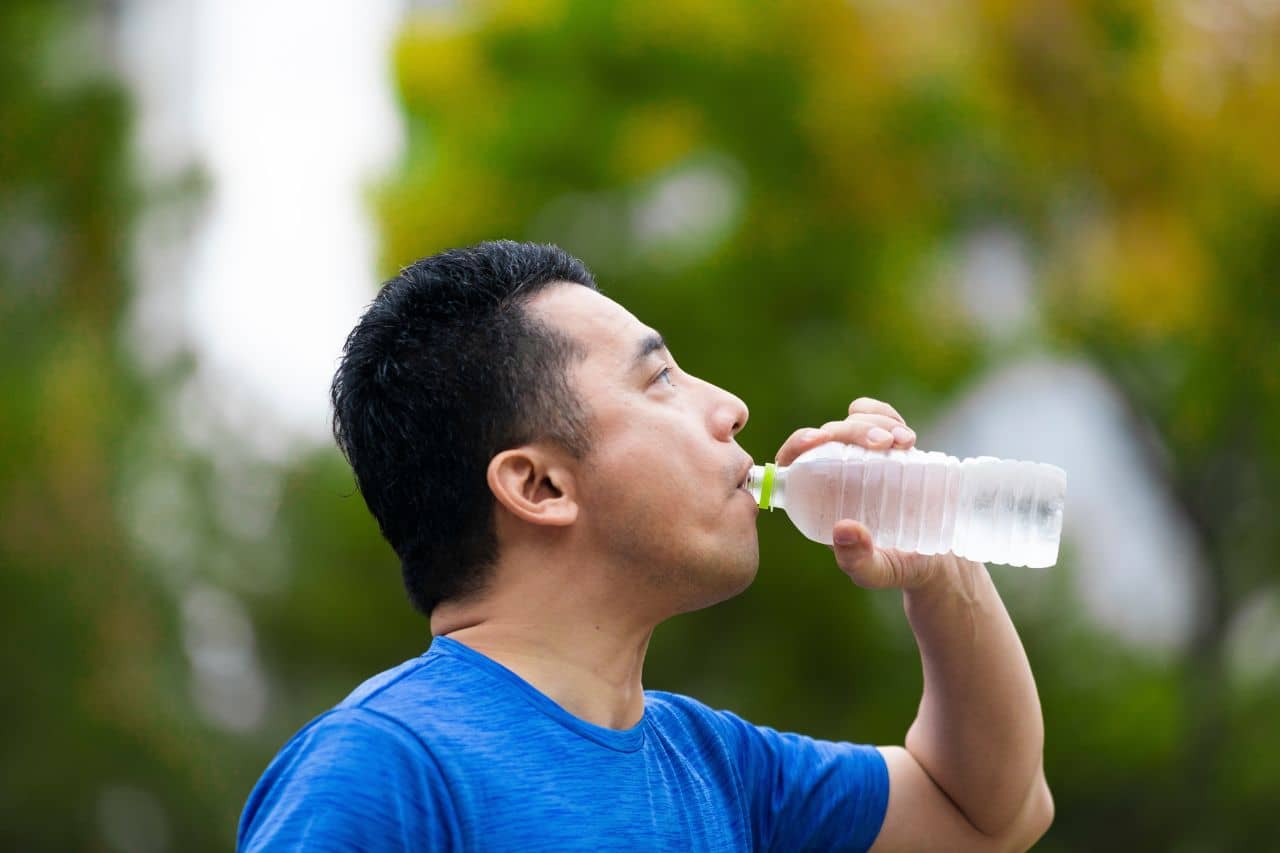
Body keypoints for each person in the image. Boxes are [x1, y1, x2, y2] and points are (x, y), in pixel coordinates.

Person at [238, 240, 1053, 851]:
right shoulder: (381, 773)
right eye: (659, 379)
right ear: (540, 486)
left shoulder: (719, 766)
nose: (730, 407)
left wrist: (942, 565)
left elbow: (991, 813)